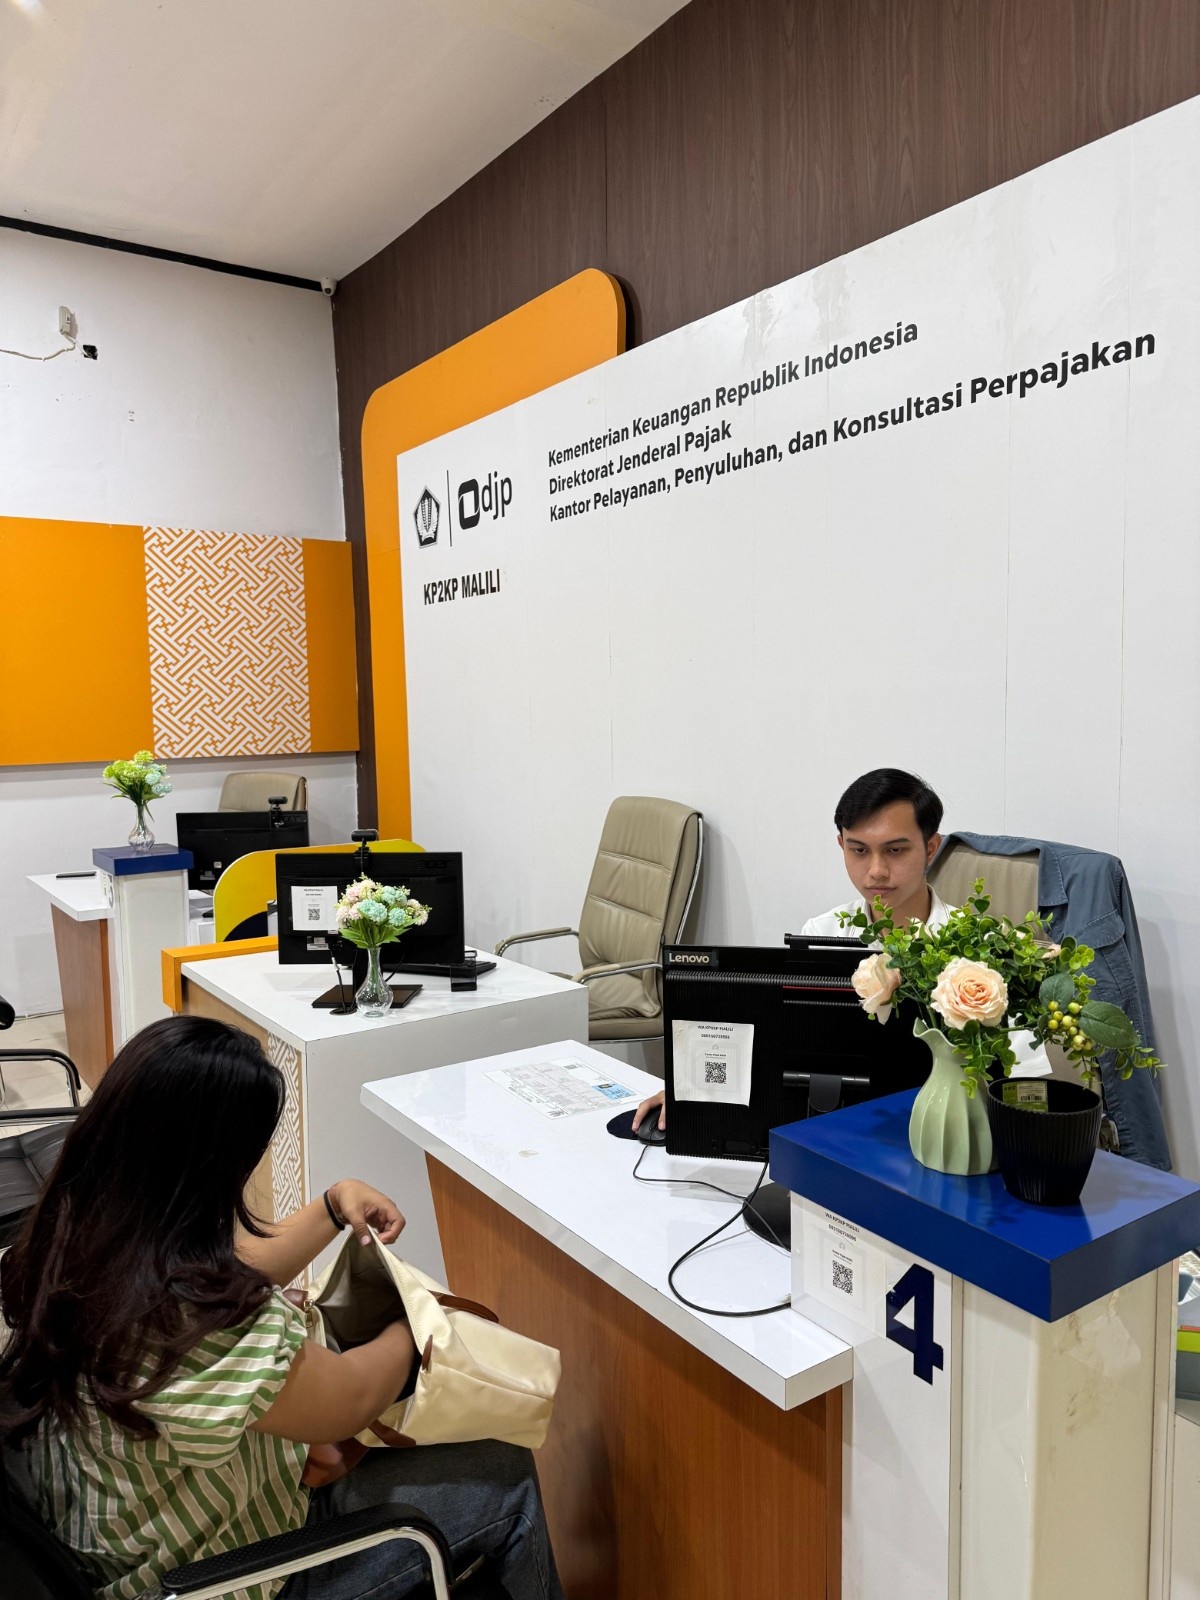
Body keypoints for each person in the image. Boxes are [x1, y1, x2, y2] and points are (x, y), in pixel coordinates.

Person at [0, 1015, 564, 1600]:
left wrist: (332, 1205)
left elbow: (230, 1277)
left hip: (116, 1526)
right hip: (215, 1575)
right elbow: (349, 1399)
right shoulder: (186, 1318)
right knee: (505, 1471)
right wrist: (417, 1320)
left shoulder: (74, 1237)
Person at [633, 768, 962, 1133]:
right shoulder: (822, 934)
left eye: (895, 850)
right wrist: (693, 1088)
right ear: (841, 845)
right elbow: (781, 1042)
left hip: (943, 1125)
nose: (876, 871)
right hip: (837, 1121)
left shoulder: (975, 946)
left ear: (930, 848)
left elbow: (1005, 1073)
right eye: (858, 850)